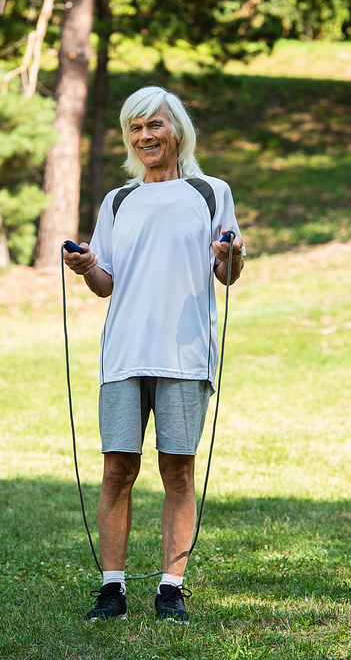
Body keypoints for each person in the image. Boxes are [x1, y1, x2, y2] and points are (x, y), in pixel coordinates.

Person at [64, 86, 245, 623]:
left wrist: (231, 255)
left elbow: (228, 273)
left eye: (156, 125)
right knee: (117, 469)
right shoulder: (118, 200)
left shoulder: (211, 192)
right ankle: (112, 589)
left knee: (178, 473)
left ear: (178, 130)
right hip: (124, 355)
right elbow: (106, 283)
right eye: (136, 127)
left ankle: (170, 589)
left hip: (186, 356)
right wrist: (87, 265)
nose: (146, 136)